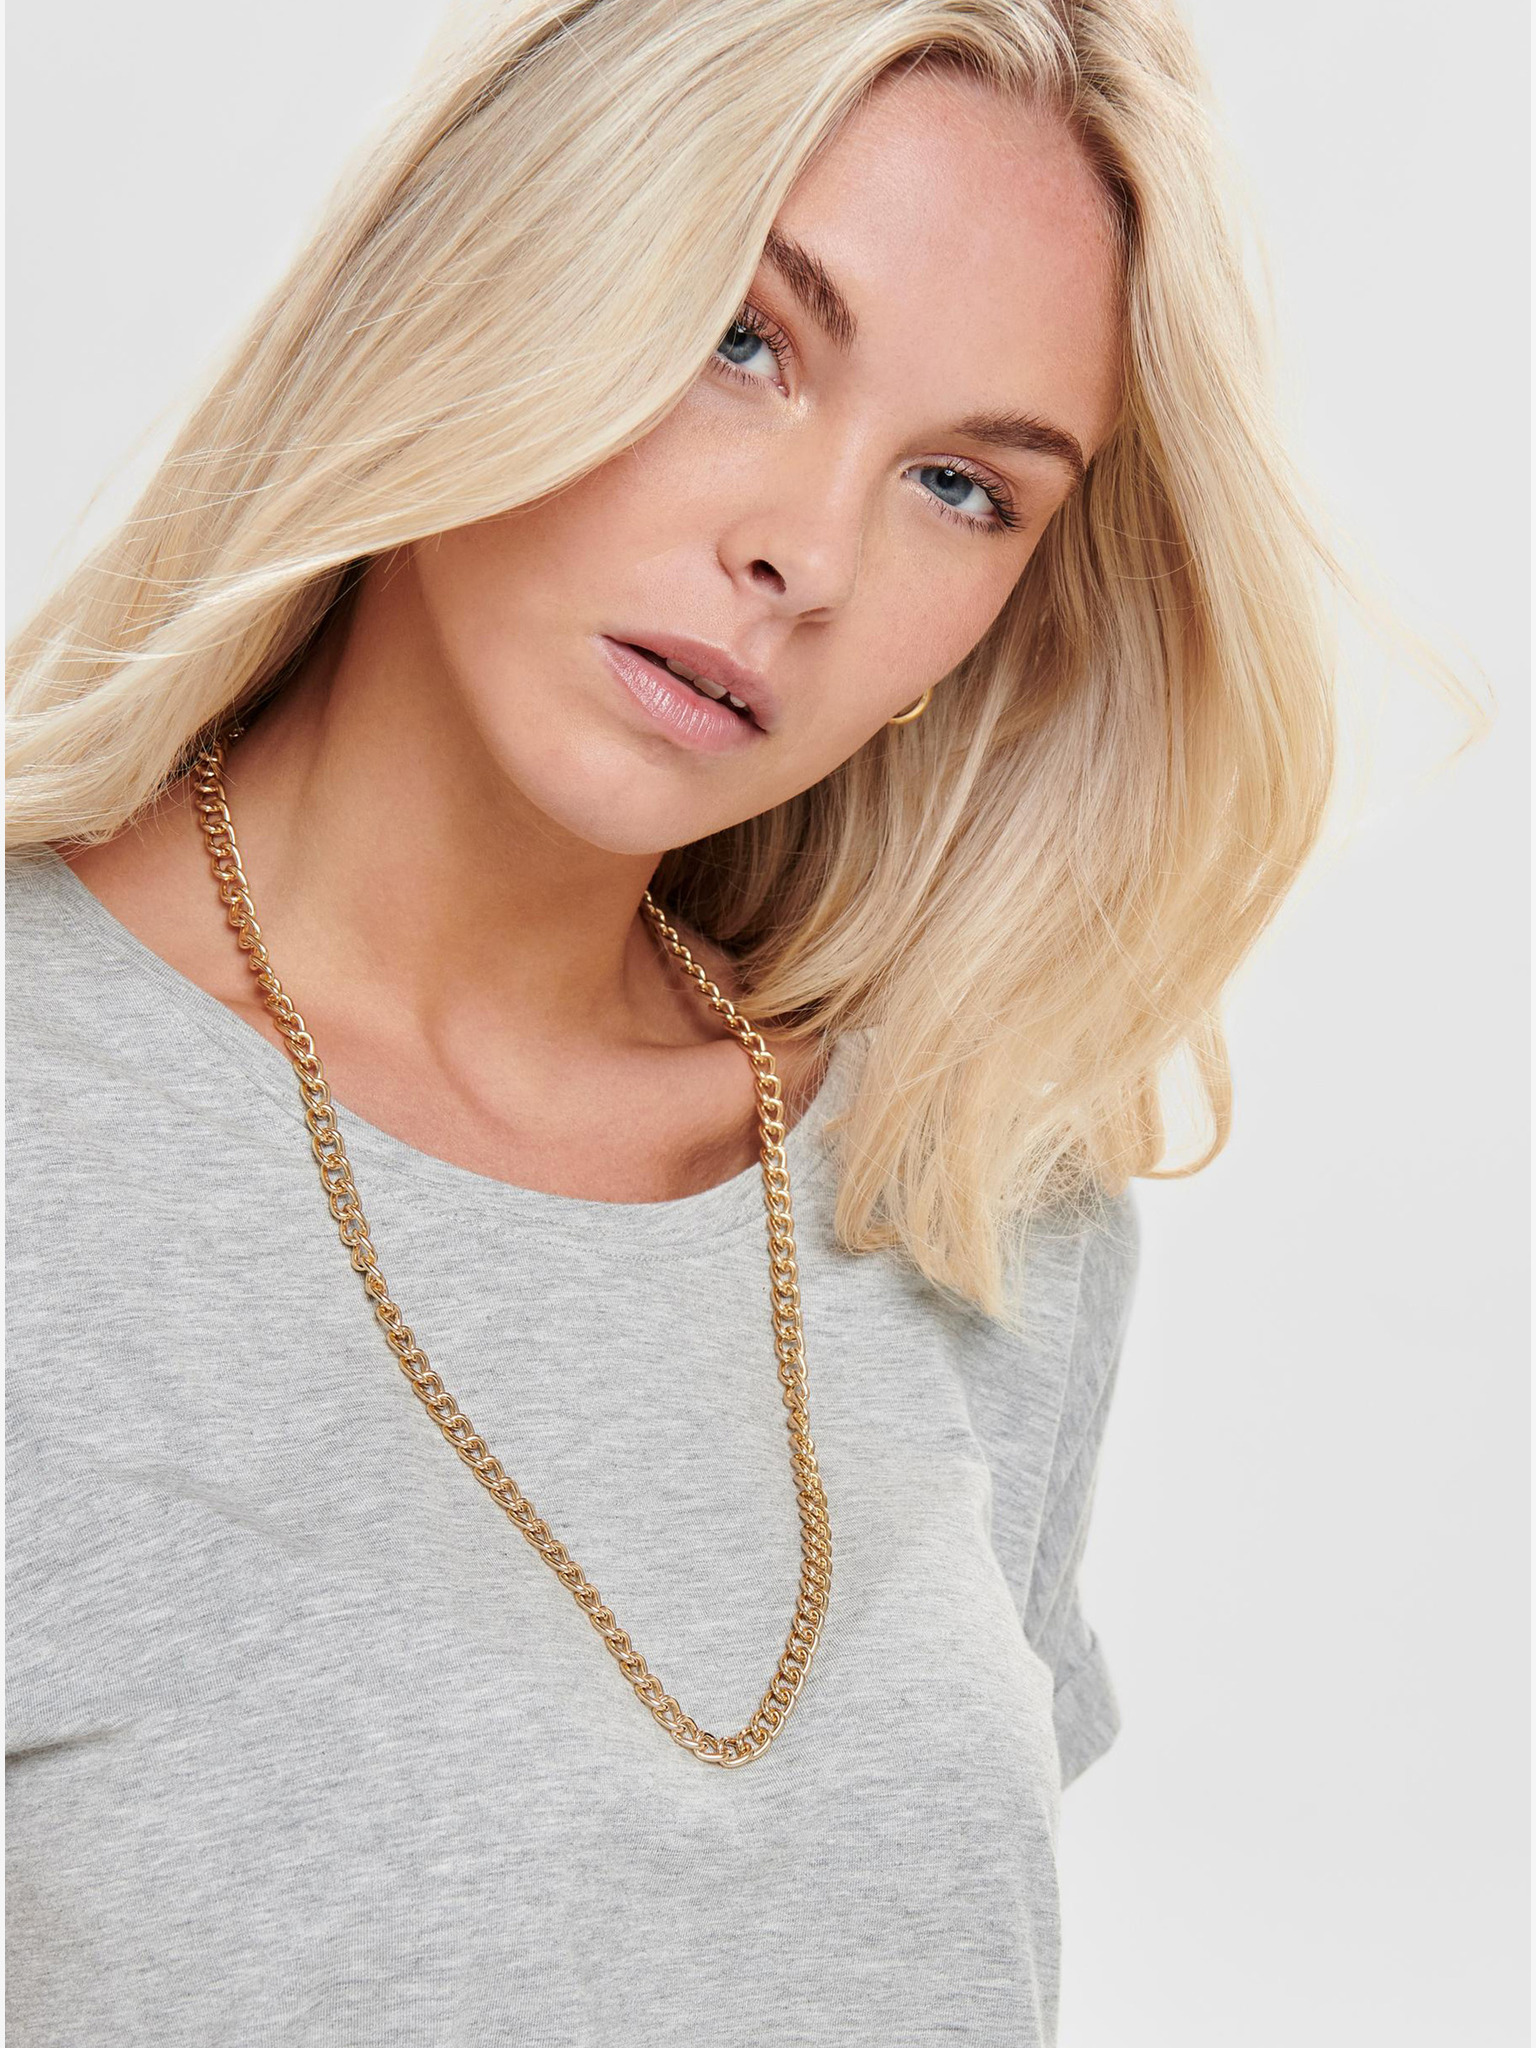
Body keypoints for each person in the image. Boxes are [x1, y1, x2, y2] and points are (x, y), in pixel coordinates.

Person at [4, 2, 1368, 2041]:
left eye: (962, 487)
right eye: (747, 338)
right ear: (488, 258)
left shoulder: (962, 1194)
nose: (804, 556)